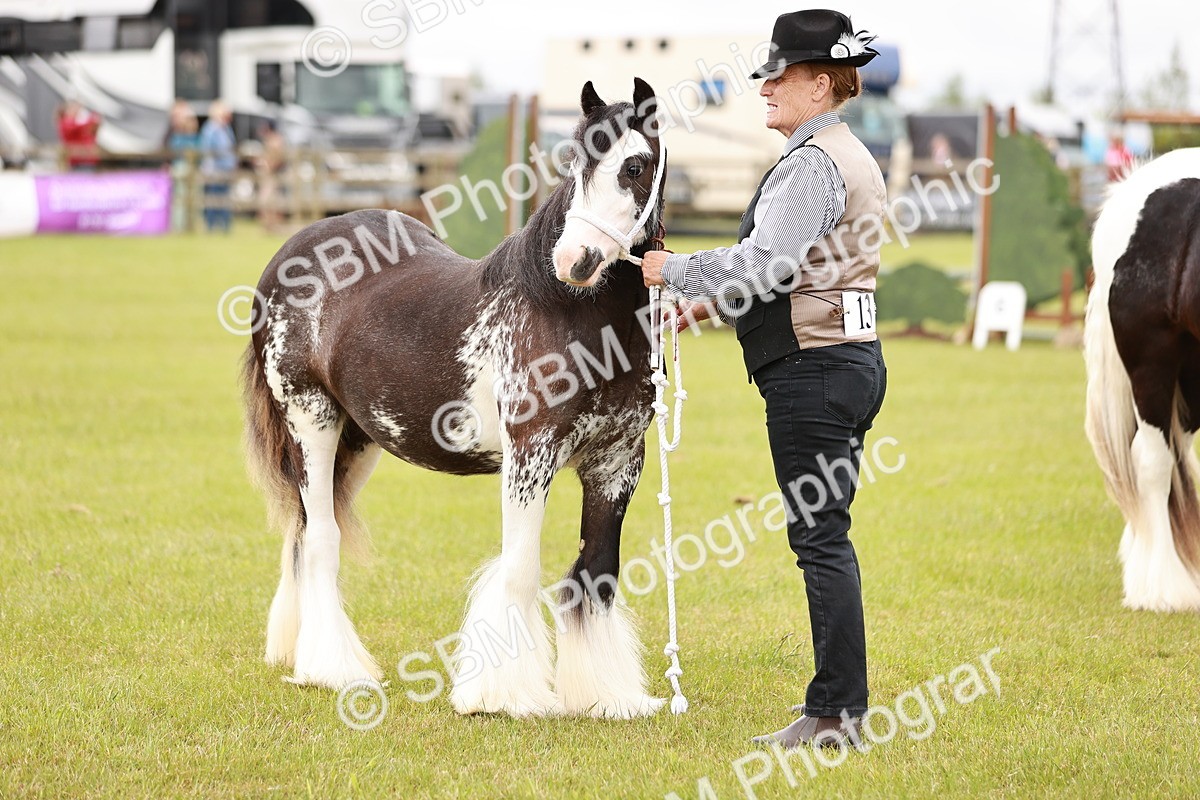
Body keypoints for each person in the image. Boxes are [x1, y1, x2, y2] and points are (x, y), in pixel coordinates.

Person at [641, 9, 888, 749]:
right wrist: (705, 311)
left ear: (821, 83)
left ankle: (836, 713)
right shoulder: (847, 152)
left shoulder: (812, 162)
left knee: (819, 539)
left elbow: (766, 264)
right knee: (826, 534)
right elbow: (806, 269)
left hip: (812, 372)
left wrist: (675, 273)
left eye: (779, 78)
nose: (765, 90)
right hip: (849, 361)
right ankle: (838, 707)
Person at [198, 100, 237, 233]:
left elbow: (230, 148)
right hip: (214, 170)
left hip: (226, 169)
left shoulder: (226, 129)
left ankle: (225, 227)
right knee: (212, 199)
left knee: (225, 200)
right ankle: (211, 227)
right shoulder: (210, 129)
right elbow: (207, 151)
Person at [56, 100, 101, 171]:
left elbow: (91, 134)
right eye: (74, 108)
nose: (77, 111)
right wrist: (91, 120)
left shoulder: (78, 121)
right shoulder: (65, 122)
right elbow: (76, 128)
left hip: (87, 159)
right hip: (78, 160)